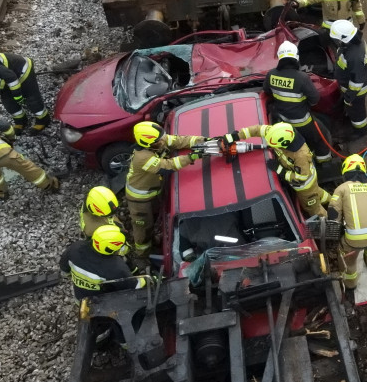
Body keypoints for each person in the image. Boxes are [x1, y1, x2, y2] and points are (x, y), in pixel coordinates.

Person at [125, 122, 211, 268]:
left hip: (152, 193)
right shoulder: (142, 158)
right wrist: (192, 157)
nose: (163, 140)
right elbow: (168, 166)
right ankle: (142, 255)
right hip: (140, 201)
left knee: (154, 219)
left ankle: (152, 240)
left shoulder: (157, 142)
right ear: (149, 143)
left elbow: (179, 141)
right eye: (159, 140)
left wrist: (204, 141)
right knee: (143, 228)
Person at [223, 123, 330, 218]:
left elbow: (302, 177)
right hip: (310, 184)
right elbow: (257, 130)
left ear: (283, 143)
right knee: (318, 193)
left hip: (304, 187)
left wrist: (280, 170)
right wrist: (236, 135)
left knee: (312, 208)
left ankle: (329, 223)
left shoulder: (300, 155)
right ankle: (335, 202)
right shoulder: (277, 132)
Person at [327, 154, 367, 290]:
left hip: (355, 239)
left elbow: (333, 216)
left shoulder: (341, 189)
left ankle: (351, 284)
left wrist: (336, 236)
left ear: (345, 171)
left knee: (348, 260)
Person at [264, 40, 332, 164]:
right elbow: (315, 99)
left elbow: (267, 91)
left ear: (279, 58)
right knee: (322, 138)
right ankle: (325, 165)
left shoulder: (271, 75)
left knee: (295, 146)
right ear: (296, 57)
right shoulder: (301, 77)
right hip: (303, 123)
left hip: (283, 122)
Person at [59, 226, 148, 301]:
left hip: (79, 298)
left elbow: (64, 269)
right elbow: (134, 286)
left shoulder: (75, 248)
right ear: (109, 249)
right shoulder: (116, 267)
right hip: (100, 302)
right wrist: (149, 280)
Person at [330, 19, 367, 138]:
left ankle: (360, 131)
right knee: (352, 108)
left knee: (357, 112)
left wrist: (349, 97)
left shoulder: (354, 56)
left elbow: (357, 82)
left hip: (356, 92)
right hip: (349, 86)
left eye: (337, 39)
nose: (336, 41)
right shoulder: (353, 43)